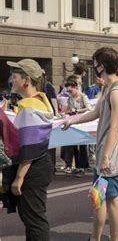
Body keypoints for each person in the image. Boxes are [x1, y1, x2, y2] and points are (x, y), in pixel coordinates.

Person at [63, 47, 118, 241]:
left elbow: (115, 127)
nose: (93, 67)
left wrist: (106, 156)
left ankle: (112, 239)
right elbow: (95, 113)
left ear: (101, 66)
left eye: (95, 63)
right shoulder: (108, 89)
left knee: (112, 199)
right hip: (104, 152)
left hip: (111, 154)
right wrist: (72, 121)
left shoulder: (117, 92)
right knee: (99, 198)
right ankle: (96, 238)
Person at [4, 59, 54, 240]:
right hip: (41, 164)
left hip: (33, 168)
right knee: (34, 218)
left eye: (15, 76)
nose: (12, 80)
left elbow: (30, 146)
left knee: (34, 220)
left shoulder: (29, 106)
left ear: (26, 80)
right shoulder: (41, 100)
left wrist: (19, 177)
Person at [63, 79, 93, 176]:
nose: (69, 93)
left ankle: (82, 166)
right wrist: (65, 112)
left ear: (76, 88)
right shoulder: (70, 98)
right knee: (73, 145)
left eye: (70, 91)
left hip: (82, 123)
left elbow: (89, 108)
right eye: (68, 91)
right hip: (74, 124)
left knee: (82, 145)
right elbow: (67, 109)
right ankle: (76, 166)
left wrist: (77, 110)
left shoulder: (83, 97)